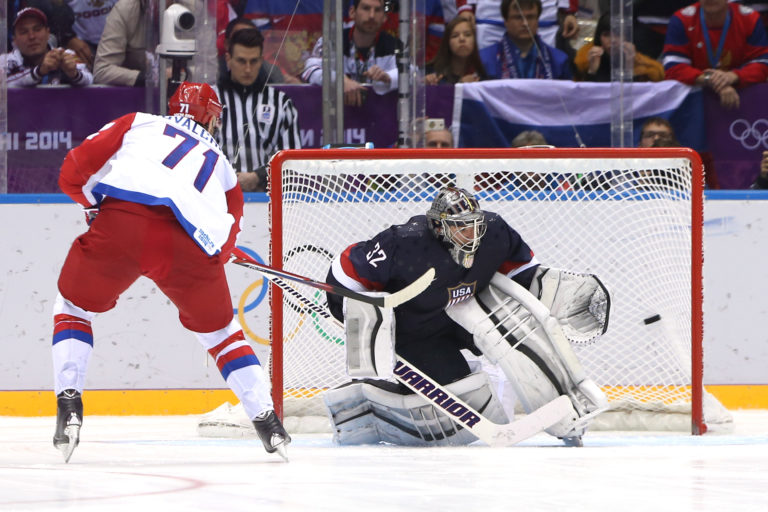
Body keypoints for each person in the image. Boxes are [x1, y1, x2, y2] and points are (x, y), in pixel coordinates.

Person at [51, 81, 290, 463]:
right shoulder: (225, 170)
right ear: (213, 120)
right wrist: (215, 254)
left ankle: (69, 405)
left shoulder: (139, 123)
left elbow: (71, 172)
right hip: (189, 249)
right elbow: (226, 240)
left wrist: (95, 205)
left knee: (74, 309)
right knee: (222, 334)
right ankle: (268, 424)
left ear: (172, 106)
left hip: (122, 223)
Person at [322, 186, 609, 446]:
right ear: (438, 226)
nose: (471, 235)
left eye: (474, 225)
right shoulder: (405, 242)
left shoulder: (495, 231)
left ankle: (566, 417)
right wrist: (352, 315)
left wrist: (552, 300)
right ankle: (364, 407)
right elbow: (346, 270)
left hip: (465, 316)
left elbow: (523, 274)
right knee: (458, 416)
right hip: (416, 333)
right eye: (461, 228)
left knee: (522, 339)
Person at [214, 28, 301, 192]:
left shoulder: (281, 103)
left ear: (261, 61)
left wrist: (258, 176)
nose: (248, 69)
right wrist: (229, 179)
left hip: (266, 199)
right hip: (218, 197)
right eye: (241, 61)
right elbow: (197, 155)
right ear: (228, 59)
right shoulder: (211, 99)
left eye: (253, 61)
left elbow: (292, 158)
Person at [662, 0, 768, 109]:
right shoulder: (682, 20)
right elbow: (673, 68)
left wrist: (733, 76)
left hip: (744, 98)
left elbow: (762, 64)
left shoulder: (749, 18)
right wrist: (712, 80)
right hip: (693, 103)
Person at [301, 0, 400, 107]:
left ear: (384, 17)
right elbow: (310, 69)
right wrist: (340, 81)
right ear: (352, 12)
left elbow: (412, 73)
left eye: (377, 10)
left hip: (380, 117)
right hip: (335, 116)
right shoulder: (331, 41)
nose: (372, 16)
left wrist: (388, 77)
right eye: (366, 8)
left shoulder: (395, 45)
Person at [479, 0, 573, 80]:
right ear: (505, 21)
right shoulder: (484, 59)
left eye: (530, 17)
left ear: (538, 20)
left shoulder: (559, 60)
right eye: (518, 17)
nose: (525, 23)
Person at [2, 6, 92, 86]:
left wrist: (74, 73)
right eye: (24, 32)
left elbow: (91, 80)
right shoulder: (5, 61)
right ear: (14, 40)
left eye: (37, 29)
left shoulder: (66, 55)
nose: (32, 36)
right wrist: (39, 71)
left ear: (48, 33)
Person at [574, 12, 665, 82]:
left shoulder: (645, 67)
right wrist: (592, 71)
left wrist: (630, 66)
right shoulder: (584, 62)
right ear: (599, 38)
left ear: (627, 37)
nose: (612, 40)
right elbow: (584, 97)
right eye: (606, 35)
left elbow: (639, 98)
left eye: (618, 34)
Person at [455, 0, 579, 50]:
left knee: (544, 83)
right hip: (490, 21)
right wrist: (465, 7)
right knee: (487, 79)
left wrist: (569, 11)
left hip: (544, 23)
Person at [92, 0, 149, 86]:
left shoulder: (176, 9)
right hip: (139, 94)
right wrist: (148, 78)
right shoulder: (125, 9)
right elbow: (101, 71)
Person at [425, 16, 489, 85]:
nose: (462, 39)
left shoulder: (483, 77)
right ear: (447, 42)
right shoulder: (431, 74)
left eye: (467, 35)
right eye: (455, 36)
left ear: (474, 41)